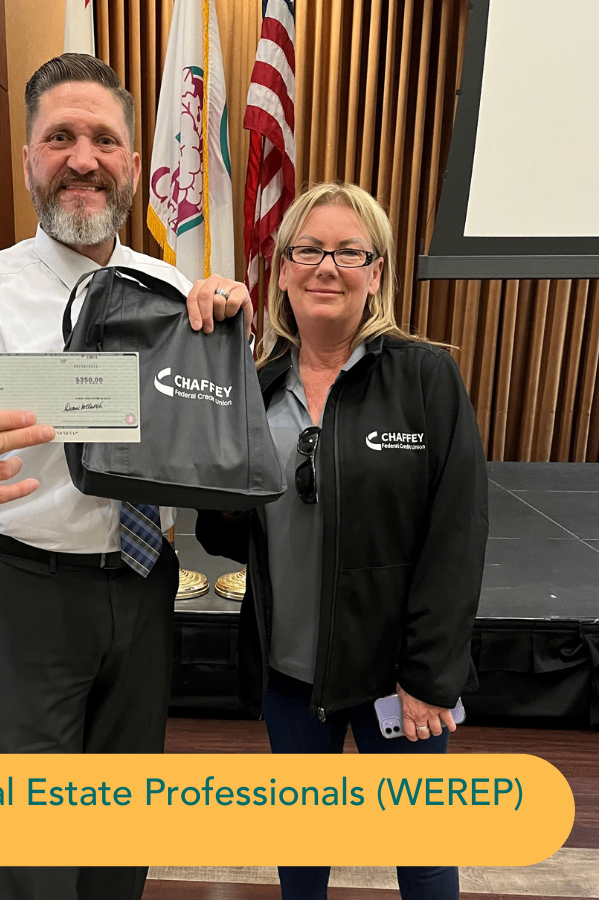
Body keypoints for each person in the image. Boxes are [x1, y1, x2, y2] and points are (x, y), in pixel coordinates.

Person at [0, 53, 250, 900]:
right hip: (27, 595)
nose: (84, 159)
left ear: (133, 164)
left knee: (120, 829)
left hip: (146, 583)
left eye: (104, 140)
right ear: (28, 160)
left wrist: (236, 341)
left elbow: (198, 425)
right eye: (60, 138)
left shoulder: (174, 289)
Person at [196, 182, 488, 900]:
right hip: (289, 675)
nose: (327, 266)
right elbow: (225, 533)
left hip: (396, 679)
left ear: (376, 274)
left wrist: (429, 680)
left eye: (349, 252)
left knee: (422, 855)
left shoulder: (425, 378)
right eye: (309, 250)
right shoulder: (255, 388)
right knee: (302, 854)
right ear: (283, 271)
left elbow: (457, 535)